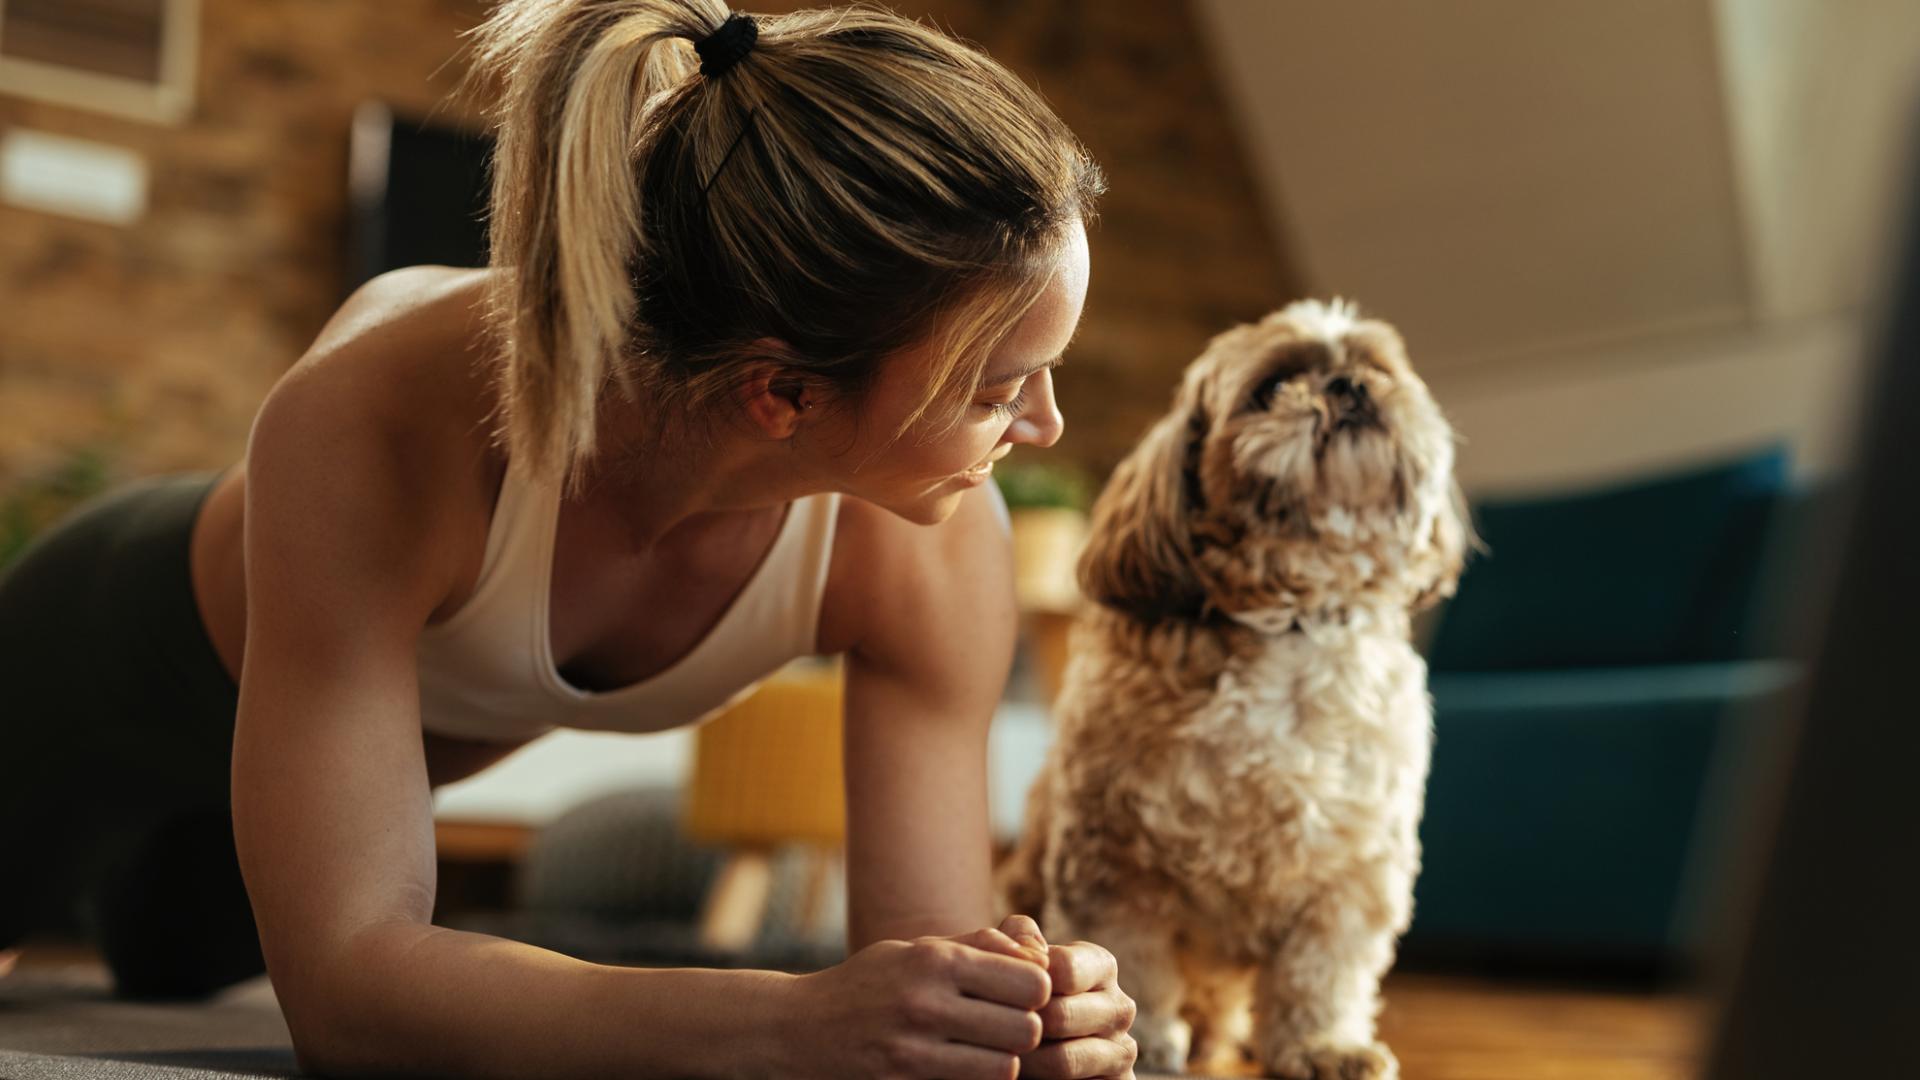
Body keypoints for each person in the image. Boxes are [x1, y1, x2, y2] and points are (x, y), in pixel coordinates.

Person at [0, 1, 1141, 1077]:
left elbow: (924, 971)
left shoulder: (936, 545)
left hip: (290, 783)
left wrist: (1012, 1020)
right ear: (781, 394)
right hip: (88, 681)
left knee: (178, 965)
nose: (1040, 427)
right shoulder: (386, 409)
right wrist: (786, 1022)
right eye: (999, 389)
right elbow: (346, 997)